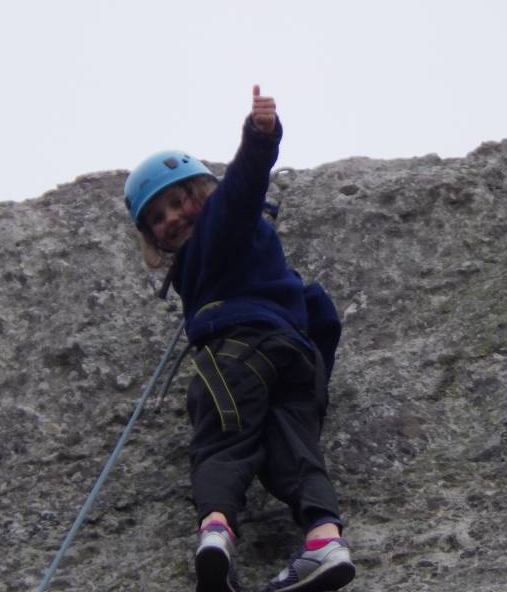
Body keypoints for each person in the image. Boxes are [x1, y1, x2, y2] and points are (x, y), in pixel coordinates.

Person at [124, 86, 355, 592]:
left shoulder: (220, 221)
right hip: (295, 358)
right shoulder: (262, 255)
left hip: (235, 357)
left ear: (204, 193)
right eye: (158, 218)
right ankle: (324, 539)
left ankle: (216, 531)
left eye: (178, 201)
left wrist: (259, 137)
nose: (171, 218)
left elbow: (242, 187)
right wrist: (313, 387)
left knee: (222, 445)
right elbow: (320, 309)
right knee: (295, 451)